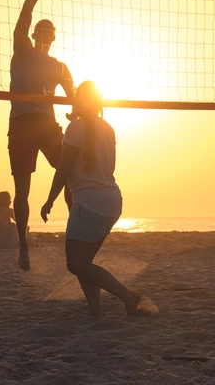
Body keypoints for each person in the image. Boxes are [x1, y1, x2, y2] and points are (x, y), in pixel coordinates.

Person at [40, 81, 155, 317]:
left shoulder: (76, 128)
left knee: (76, 264)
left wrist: (49, 200)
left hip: (90, 204)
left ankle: (128, 296)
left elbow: (63, 168)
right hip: (112, 202)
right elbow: (108, 168)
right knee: (86, 263)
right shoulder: (108, 127)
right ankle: (95, 312)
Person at [8, 0, 75, 270]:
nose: (45, 33)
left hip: (47, 125)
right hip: (22, 123)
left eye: (50, 30)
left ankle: (76, 235)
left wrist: (78, 117)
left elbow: (74, 100)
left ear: (54, 36)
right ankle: (23, 243)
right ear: (35, 35)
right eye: (41, 29)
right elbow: (25, 12)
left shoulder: (59, 67)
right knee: (22, 191)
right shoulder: (22, 50)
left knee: (72, 177)